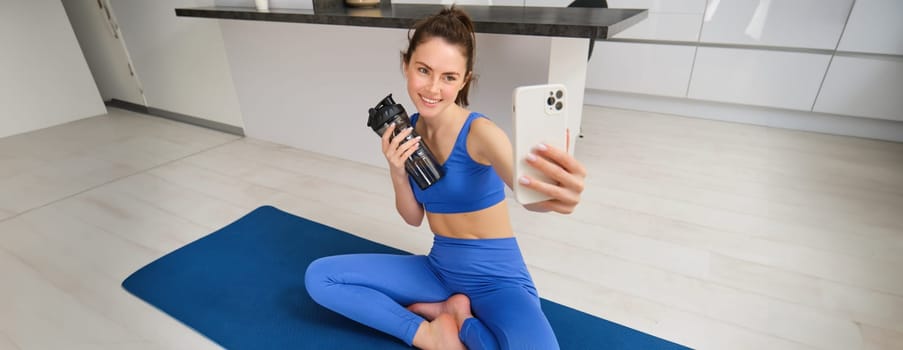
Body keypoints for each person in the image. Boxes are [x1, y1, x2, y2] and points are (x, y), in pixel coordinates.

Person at [305, 6, 587, 349]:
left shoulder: (481, 133)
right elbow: (413, 218)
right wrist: (396, 170)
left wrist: (558, 195)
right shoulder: (407, 130)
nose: (433, 88)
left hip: (498, 281)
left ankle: (460, 317)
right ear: (406, 65)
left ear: (464, 80)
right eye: (424, 70)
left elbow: (527, 192)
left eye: (449, 77)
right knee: (321, 277)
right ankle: (430, 334)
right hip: (438, 270)